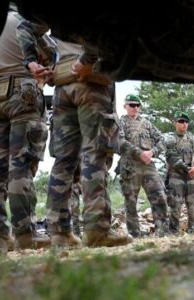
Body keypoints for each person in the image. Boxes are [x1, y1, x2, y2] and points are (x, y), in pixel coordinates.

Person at [42, 38, 131, 248]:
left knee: (63, 161)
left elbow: (27, 29)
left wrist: (35, 62)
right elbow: (99, 28)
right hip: (90, 78)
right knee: (95, 153)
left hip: (62, 83)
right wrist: (86, 58)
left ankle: (59, 233)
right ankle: (97, 230)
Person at [0, 10, 51, 254]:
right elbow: (51, 55)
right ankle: (25, 235)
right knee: (21, 164)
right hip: (24, 91)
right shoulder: (22, 21)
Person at [118, 94, 169, 237]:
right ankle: (135, 235)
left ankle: (162, 232)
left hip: (148, 165)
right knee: (131, 201)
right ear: (125, 106)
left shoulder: (147, 123)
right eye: (131, 105)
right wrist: (140, 153)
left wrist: (152, 152)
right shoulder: (120, 122)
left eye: (137, 105)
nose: (134, 108)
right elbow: (120, 141)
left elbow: (162, 140)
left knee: (159, 196)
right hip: (129, 165)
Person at [164, 112, 194, 234]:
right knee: (175, 206)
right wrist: (188, 169)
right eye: (181, 122)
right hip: (176, 176)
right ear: (175, 123)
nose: (184, 124)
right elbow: (171, 157)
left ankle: (193, 231)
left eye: (186, 122)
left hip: (191, 178)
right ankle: (173, 233)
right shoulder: (170, 139)